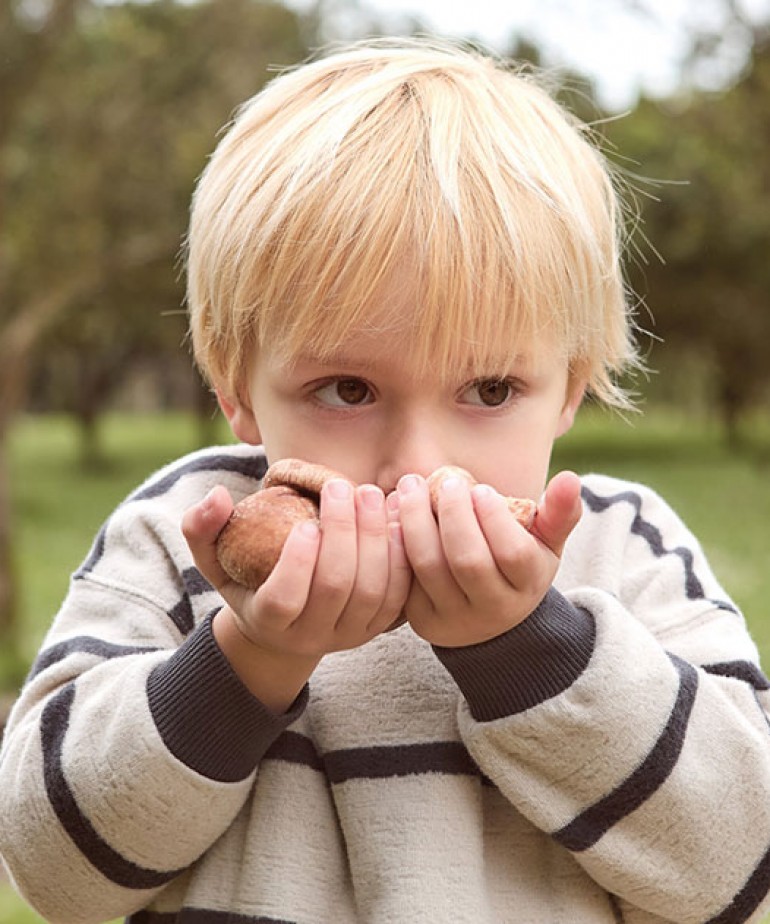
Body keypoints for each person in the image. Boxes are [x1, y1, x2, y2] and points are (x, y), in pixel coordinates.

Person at [1, 36, 769, 924]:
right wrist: (250, 661)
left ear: (572, 382)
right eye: (347, 390)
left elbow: (741, 866)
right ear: (234, 385)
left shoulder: (618, 550)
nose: (419, 465)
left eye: (489, 390)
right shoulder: (185, 540)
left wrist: (530, 651)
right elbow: (52, 872)